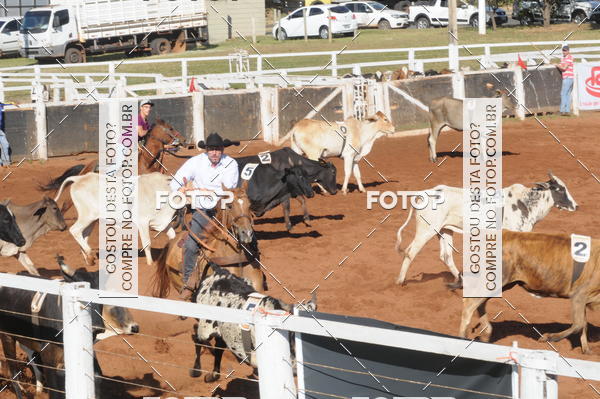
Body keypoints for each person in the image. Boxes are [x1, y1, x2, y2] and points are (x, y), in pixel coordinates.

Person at [170, 132, 240, 300]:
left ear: (222, 149)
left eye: (218, 149)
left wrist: (199, 190)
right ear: (206, 150)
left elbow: (227, 189)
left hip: (224, 209)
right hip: (202, 211)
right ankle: (187, 283)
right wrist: (180, 188)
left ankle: (255, 269)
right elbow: (176, 180)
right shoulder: (195, 162)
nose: (215, 153)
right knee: (192, 245)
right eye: (211, 149)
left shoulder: (230, 163)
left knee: (245, 232)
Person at [557, 45, 574, 116]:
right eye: (563, 50)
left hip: (568, 77)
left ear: (568, 51)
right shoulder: (564, 58)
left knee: (563, 94)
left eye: (565, 50)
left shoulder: (569, 57)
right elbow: (562, 66)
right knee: (567, 94)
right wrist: (558, 64)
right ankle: (567, 111)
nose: (564, 51)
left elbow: (564, 68)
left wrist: (557, 65)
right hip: (569, 78)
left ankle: (562, 110)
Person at [0, 101, 17, 167]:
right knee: (4, 144)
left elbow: (8, 103)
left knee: (5, 144)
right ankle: (5, 163)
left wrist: (11, 103)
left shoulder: (1, 104)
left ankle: (4, 163)